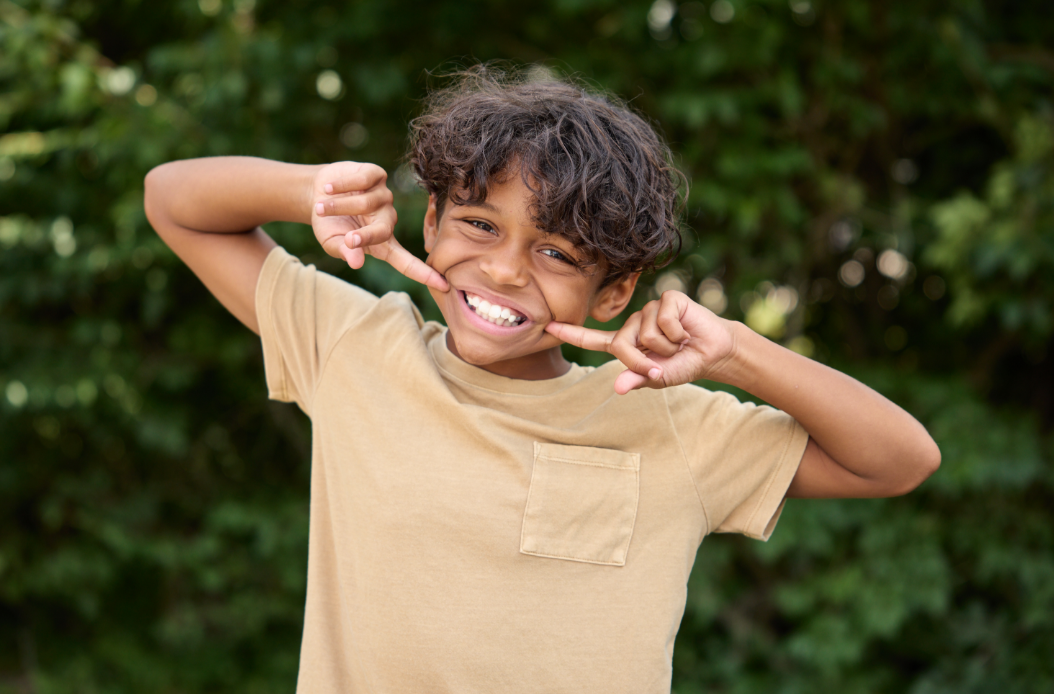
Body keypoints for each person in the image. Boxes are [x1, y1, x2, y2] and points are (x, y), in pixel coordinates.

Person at [143, 66, 939, 694]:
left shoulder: (662, 419)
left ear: (615, 291)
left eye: (557, 253)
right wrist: (310, 191)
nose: (504, 269)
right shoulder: (355, 346)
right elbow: (172, 200)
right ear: (431, 224)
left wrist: (734, 350)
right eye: (479, 224)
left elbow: (900, 459)